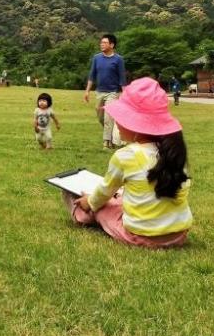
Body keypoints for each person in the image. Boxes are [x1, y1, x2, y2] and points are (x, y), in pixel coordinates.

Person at [63, 77, 192, 249]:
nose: (117, 122)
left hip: (141, 236)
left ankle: (82, 213)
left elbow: (104, 192)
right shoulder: (174, 151)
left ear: (135, 124)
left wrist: (90, 202)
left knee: (103, 205)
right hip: (178, 235)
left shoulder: (126, 156)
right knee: (120, 196)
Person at [83, 34, 127, 149]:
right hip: (99, 92)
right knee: (100, 117)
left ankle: (106, 142)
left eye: (104, 42)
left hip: (113, 92)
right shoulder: (96, 58)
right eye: (101, 42)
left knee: (108, 117)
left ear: (112, 45)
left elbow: (122, 78)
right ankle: (111, 137)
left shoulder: (118, 59)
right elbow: (92, 75)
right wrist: (87, 91)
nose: (101, 44)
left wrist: (126, 94)